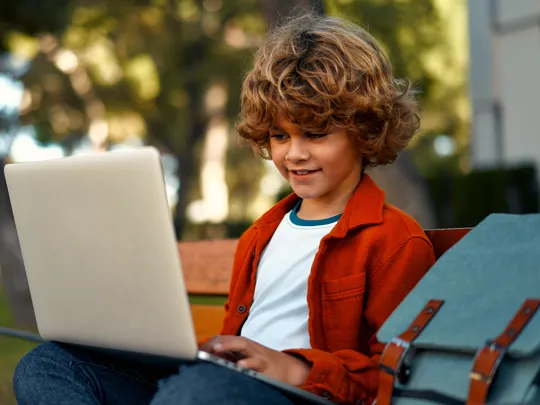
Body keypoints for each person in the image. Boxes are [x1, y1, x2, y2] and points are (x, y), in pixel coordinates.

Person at [13, 12, 436, 405]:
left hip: (299, 395)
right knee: (47, 365)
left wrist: (295, 368)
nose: (295, 153)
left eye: (316, 132)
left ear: (364, 128)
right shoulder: (261, 235)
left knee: (195, 390)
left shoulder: (394, 241)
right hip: (218, 387)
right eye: (279, 135)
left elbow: (396, 376)